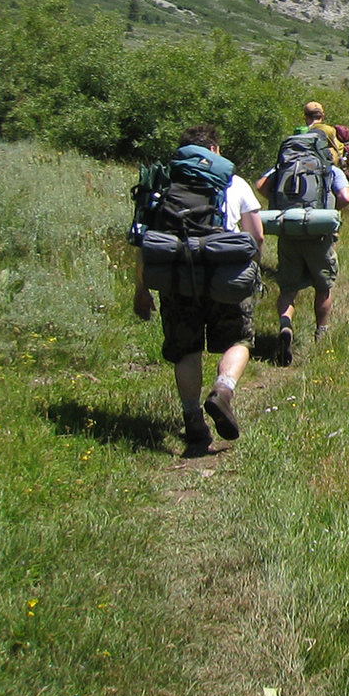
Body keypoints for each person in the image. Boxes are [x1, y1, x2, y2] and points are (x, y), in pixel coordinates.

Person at [133, 124, 263, 453]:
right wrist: (251, 271)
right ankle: (223, 390)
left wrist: (141, 289)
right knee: (238, 339)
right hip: (225, 276)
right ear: (215, 150)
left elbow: (144, 242)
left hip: (177, 278)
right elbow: (256, 235)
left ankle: (193, 420)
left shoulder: (163, 182)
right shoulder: (233, 181)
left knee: (186, 349)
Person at [256, 122, 349, 365]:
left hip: (289, 232)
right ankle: (321, 331)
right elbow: (346, 197)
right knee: (323, 286)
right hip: (318, 234)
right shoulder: (328, 167)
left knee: (288, 288)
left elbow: (261, 186)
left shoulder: (284, 164)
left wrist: (281, 203)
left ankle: (285, 326)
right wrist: (331, 211)